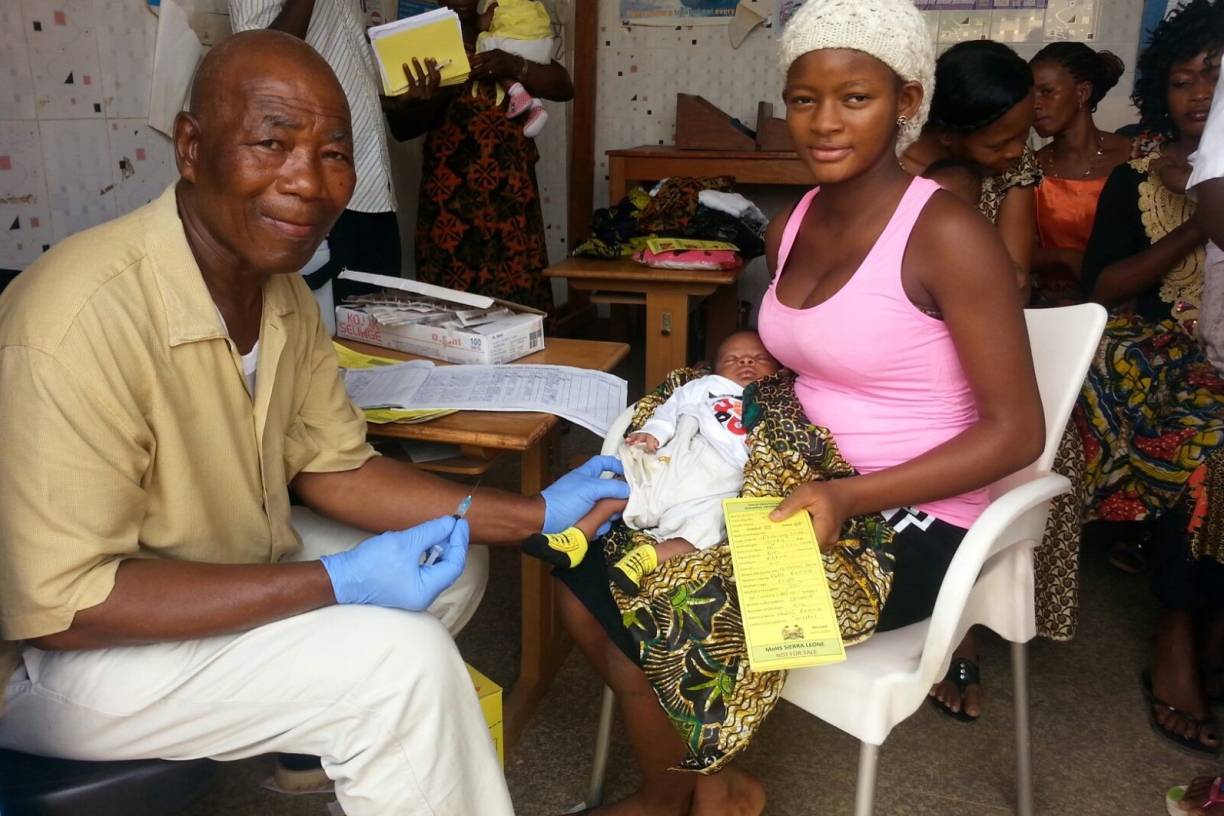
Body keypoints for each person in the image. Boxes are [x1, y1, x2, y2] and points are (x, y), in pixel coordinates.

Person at [0, 31, 629, 816]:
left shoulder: (280, 293)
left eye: (333, 153)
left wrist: (536, 517)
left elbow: (337, 467)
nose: (307, 182)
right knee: (400, 667)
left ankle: (368, 771)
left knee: (457, 564)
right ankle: (373, 731)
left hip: (215, 563)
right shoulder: (74, 318)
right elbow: (68, 607)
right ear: (191, 148)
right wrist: (336, 583)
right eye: (271, 143)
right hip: (58, 662)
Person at [551, 1, 1044, 811]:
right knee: (585, 570)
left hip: (904, 512)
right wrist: (718, 389)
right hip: (792, 471)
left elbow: (1017, 432)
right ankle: (705, 788)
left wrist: (847, 494)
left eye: (856, 98)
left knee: (664, 598)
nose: (823, 122)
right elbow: (810, 347)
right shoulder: (797, 221)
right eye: (805, 98)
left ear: (907, 101)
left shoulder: (947, 236)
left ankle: (681, 796)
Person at [1077, 0, 1222, 757]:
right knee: (1206, 435)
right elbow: (1101, 289)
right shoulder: (1137, 179)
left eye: (1213, 77)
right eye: (1180, 80)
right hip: (1149, 344)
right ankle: (1175, 630)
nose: (1196, 94)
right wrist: (1200, 216)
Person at [522, 331, 780, 595]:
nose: (746, 363)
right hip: (685, 448)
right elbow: (669, 410)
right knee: (630, 486)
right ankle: (577, 537)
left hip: (724, 474)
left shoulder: (777, 400)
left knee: (711, 525)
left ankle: (645, 558)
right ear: (714, 368)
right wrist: (655, 432)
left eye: (758, 358)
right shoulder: (706, 386)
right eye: (733, 359)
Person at [393, 0, 574, 313]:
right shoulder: (423, 40)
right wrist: (447, 82)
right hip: (449, 207)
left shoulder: (501, 25)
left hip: (513, 200)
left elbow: (563, 86)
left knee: (519, 306)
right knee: (450, 312)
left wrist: (513, 65)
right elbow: (402, 127)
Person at [229, 0, 409, 298]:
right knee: (323, 335)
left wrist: (392, 103)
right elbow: (258, 61)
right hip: (319, 199)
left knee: (380, 334)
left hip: (374, 193)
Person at [902, 39, 1040, 297]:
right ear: (947, 135)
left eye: (1024, 135)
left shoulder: (1012, 167)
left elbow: (1017, 287)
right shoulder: (890, 171)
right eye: (998, 144)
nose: (1017, 151)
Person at [1030, 43, 1132, 307]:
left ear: (1082, 93)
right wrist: (1063, 257)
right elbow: (1012, 251)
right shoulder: (1029, 169)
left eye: (1047, 92)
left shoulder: (1133, 157)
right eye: (1030, 95)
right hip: (1051, 308)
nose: (1035, 105)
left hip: (1127, 305)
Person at [476, 0, 556, 137]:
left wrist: (479, 22)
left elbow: (482, 24)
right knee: (527, 66)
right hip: (542, 48)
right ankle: (536, 106)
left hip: (513, 48)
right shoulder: (535, 5)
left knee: (489, 55)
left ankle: (516, 92)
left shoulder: (498, 3)